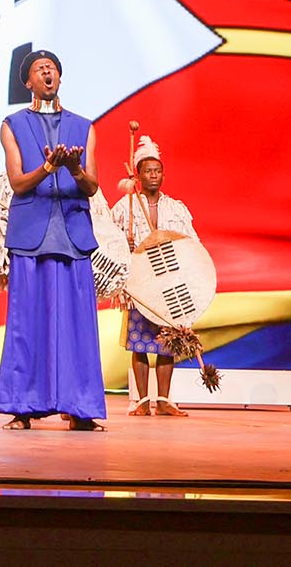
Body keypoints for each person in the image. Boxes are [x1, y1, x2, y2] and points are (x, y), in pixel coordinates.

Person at [0, 50, 107, 431]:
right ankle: (23, 406)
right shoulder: (12, 124)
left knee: (77, 327)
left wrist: (74, 169)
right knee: (27, 324)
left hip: (72, 235)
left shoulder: (84, 126)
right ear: (28, 82)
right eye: (39, 69)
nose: (47, 73)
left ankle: (80, 408)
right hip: (31, 234)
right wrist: (47, 167)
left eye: (52, 69)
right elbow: (17, 182)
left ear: (59, 78)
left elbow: (91, 186)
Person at [109, 135, 198, 417]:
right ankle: (141, 401)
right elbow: (108, 239)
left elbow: (191, 243)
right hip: (140, 285)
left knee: (166, 342)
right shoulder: (125, 207)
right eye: (148, 171)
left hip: (167, 283)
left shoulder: (175, 209)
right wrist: (125, 244)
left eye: (157, 171)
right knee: (139, 342)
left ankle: (163, 399)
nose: (154, 176)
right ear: (138, 176)